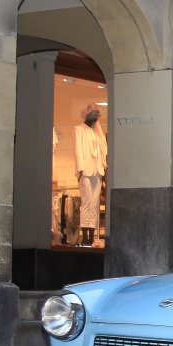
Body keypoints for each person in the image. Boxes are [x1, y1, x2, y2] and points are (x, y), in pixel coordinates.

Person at [74, 103, 107, 246]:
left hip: (97, 170)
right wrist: (80, 169)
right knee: (86, 202)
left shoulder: (96, 132)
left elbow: (103, 150)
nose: (95, 119)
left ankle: (92, 234)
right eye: (94, 115)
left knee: (94, 203)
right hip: (86, 170)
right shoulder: (79, 129)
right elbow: (78, 150)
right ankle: (85, 235)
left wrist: (103, 168)